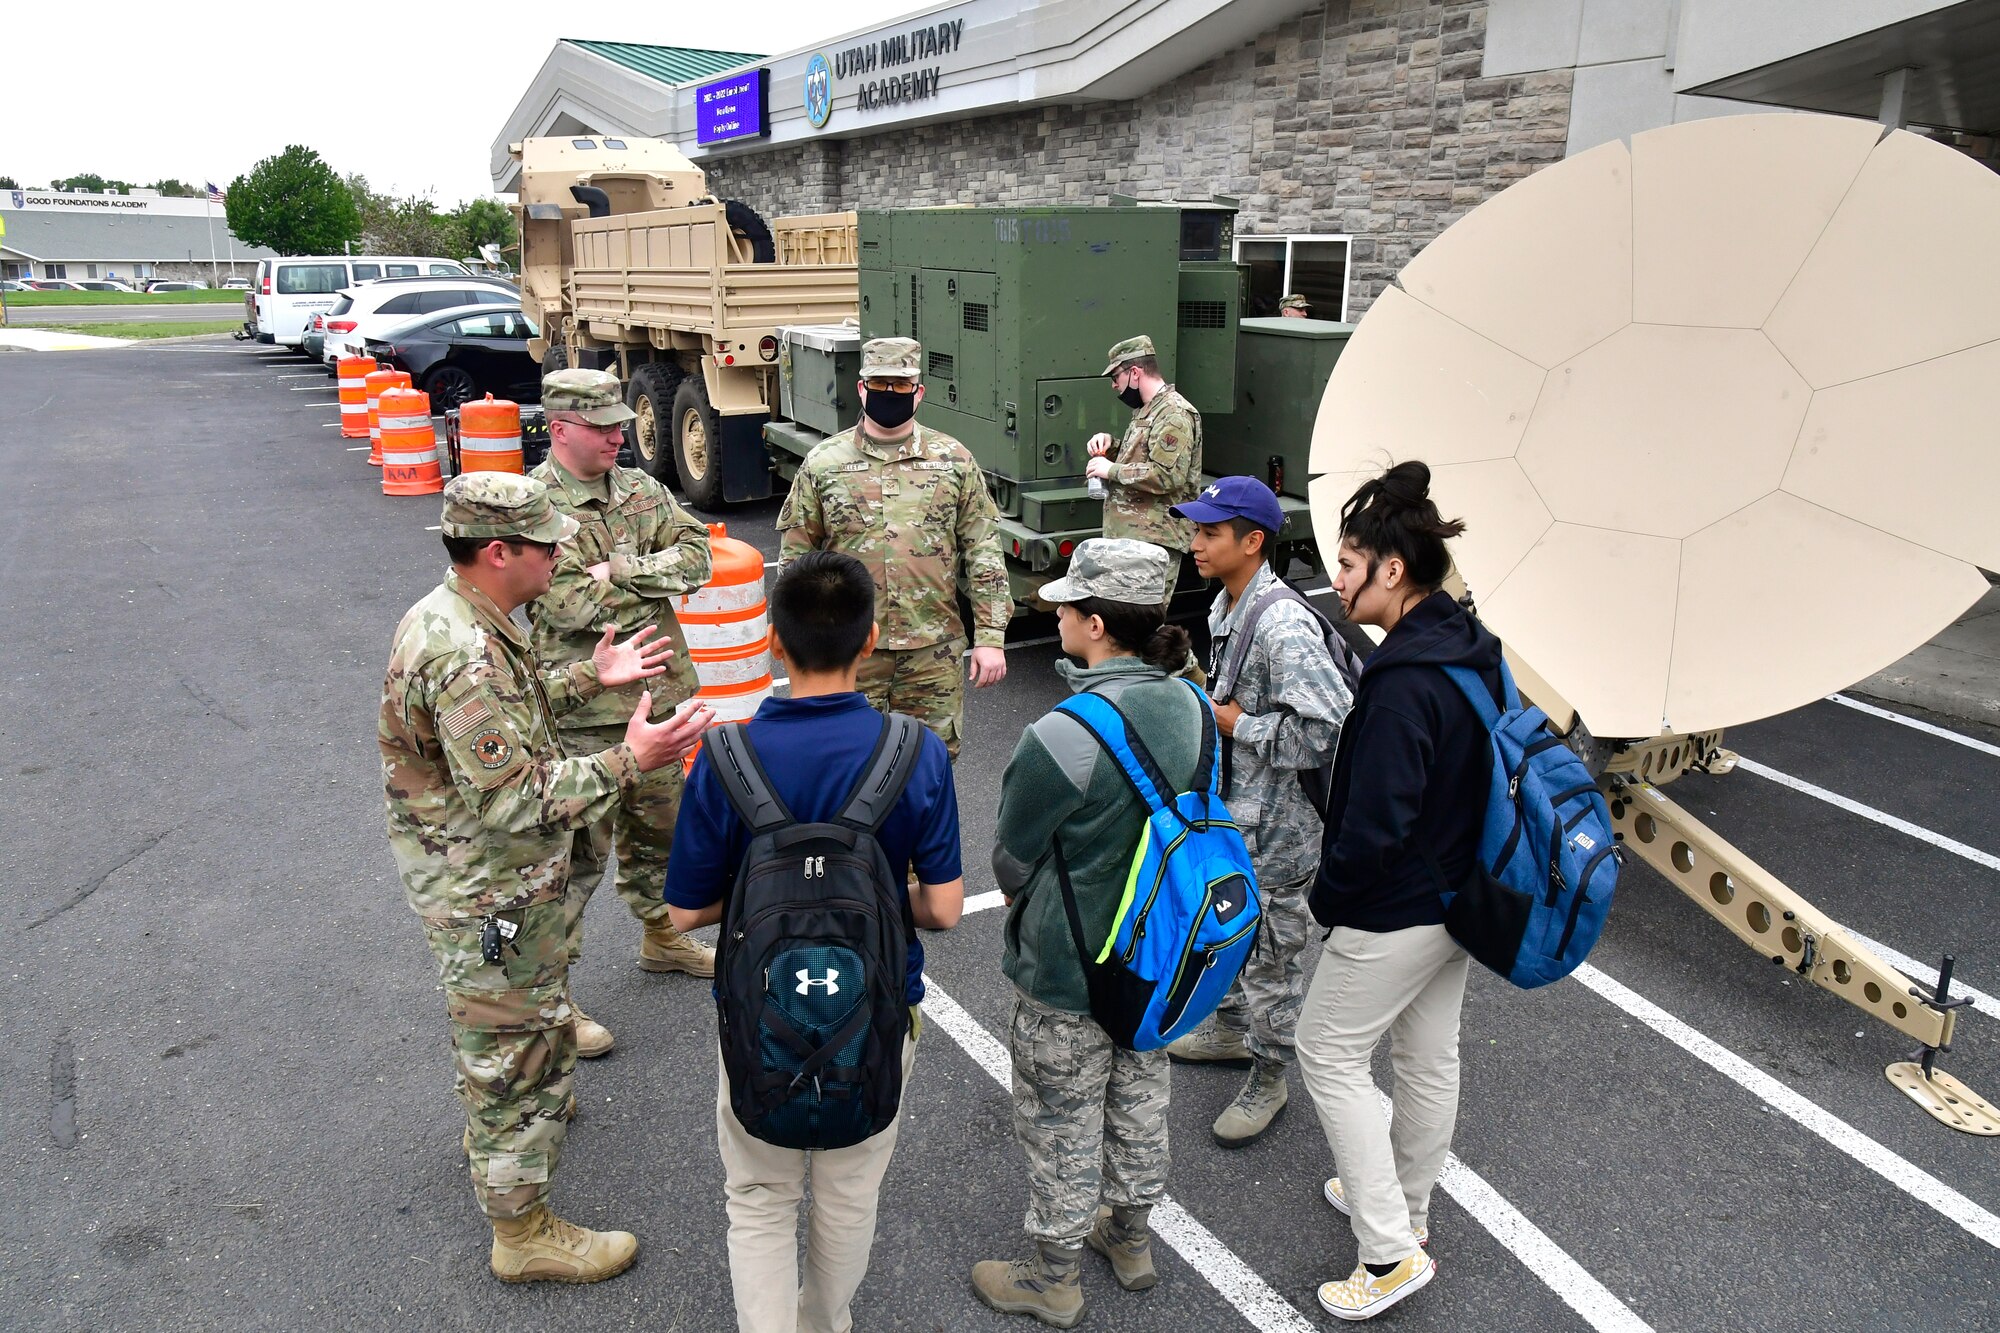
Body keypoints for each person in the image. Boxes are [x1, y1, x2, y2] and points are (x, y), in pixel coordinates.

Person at [380, 473, 713, 1284]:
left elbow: (513, 714)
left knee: (524, 1039)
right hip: (488, 892)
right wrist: (630, 758)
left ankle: (517, 1138)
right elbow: (510, 799)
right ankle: (521, 1229)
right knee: (510, 1053)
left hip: (494, 881)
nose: (563, 552)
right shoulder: (461, 653)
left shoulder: (468, 619)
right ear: (500, 552)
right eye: (547, 542)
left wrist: (583, 679)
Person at [665, 549, 965, 1333]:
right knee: (847, 1192)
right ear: (870, 641)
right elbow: (943, 908)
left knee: (760, 1198)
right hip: (878, 1007)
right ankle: (824, 1322)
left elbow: (685, 913)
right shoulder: (916, 751)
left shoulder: (725, 757)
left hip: (757, 1007)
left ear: (771, 638)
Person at [978, 538, 1205, 1329]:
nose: (1059, 614)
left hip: (1068, 963)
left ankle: (1050, 1275)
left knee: (1060, 1116)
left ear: (1098, 624)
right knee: (1142, 1092)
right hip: (1160, 954)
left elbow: (1013, 844)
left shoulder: (1066, 732)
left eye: (1068, 606)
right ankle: (1131, 1237)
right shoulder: (1195, 705)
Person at [1295, 461, 1494, 1321]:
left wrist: (1327, 900)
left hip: (1398, 907)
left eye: (1347, 563)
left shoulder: (1402, 683)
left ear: (1392, 570)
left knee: (1328, 1051)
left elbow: (1372, 825)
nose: (1336, 581)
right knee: (1426, 1056)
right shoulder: (1469, 644)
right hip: (1461, 897)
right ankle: (1405, 1210)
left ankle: (1387, 1253)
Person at [527, 367, 717, 1061]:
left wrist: (621, 570)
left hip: (657, 697)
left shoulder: (640, 487)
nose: (619, 435)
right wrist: (634, 570)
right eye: (603, 427)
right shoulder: (533, 505)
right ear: (560, 428)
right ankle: (551, 1000)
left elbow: (700, 557)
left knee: (664, 834)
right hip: (586, 717)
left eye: (618, 423)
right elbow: (565, 602)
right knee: (573, 863)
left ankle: (663, 938)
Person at [1161, 477, 1351, 1147]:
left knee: (1273, 954)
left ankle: (1270, 1074)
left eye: (1211, 532)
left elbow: (1333, 729)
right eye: (1197, 529)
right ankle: (1233, 1029)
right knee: (1235, 931)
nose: (1196, 542)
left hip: (1281, 830)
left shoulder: (1280, 623)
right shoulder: (1230, 605)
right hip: (1243, 817)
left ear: (1253, 541)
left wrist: (1241, 725)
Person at [776, 337, 1010, 758]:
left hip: (931, 651)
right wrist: (799, 639)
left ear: (919, 392)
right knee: (845, 764)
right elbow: (795, 561)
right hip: (847, 651)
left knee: (931, 767)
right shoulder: (824, 464)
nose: (890, 393)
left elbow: (983, 550)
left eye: (901, 385)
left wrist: (991, 636)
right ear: (861, 388)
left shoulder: (953, 460)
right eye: (880, 383)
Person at [1084, 336, 1203, 569]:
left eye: (1116, 376)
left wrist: (1112, 470)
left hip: (1154, 543)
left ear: (1135, 373)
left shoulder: (1174, 414)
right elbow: (1145, 456)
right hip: (1134, 541)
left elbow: (1166, 476)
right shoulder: (1148, 410)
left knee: (1144, 607)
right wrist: (1112, 446)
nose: (1114, 385)